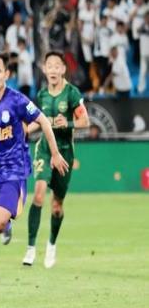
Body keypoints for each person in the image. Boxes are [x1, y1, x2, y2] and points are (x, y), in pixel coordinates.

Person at [0, 52, 69, 283]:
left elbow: (43, 121)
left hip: (14, 170)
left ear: (6, 74)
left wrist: (55, 153)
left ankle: (6, 225)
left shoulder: (17, 101)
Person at [22, 51, 90, 268]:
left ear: (63, 69)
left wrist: (67, 123)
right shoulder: (41, 94)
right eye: (49, 66)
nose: (52, 70)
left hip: (65, 153)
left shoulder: (71, 93)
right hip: (44, 149)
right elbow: (38, 122)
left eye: (56, 66)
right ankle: (31, 248)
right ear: (44, 70)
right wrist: (24, 130)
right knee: (39, 193)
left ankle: (51, 244)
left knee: (57, 206)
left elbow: (85, 121)